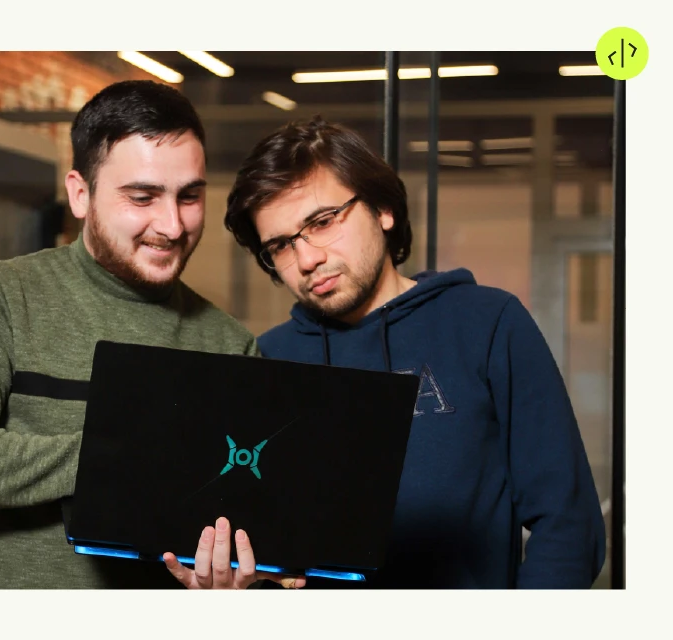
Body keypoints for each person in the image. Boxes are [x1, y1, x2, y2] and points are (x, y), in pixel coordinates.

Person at [0, 80, 304, 590]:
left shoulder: (230, 344)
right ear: (80, 194)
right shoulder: (1, 295)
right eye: (142, 197)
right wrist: (116, 455)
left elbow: (242, 522)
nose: (172, 225)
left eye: (190, 197)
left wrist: (232, 583)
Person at [223, 116, 607, 589]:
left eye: (322, 222)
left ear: (383, 208)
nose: (307, 260)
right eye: (281, 245)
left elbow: (568, 524)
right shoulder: (268, 358)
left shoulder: (486, 323)